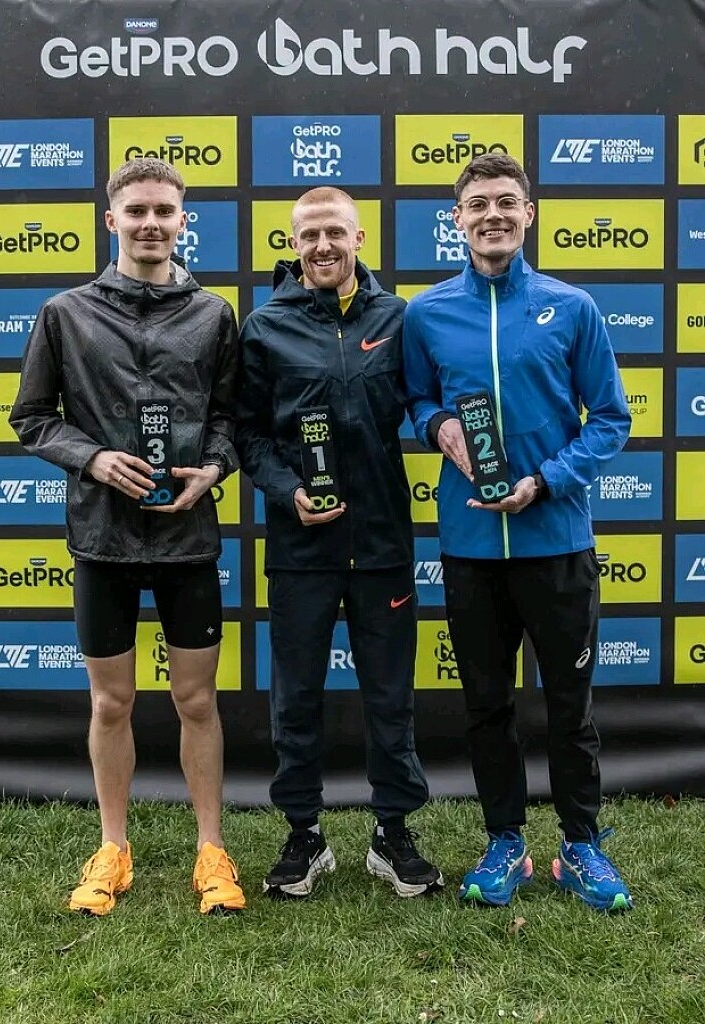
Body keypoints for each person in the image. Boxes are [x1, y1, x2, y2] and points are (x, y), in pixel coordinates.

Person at [9, 157, 245, 917]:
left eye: (163, 212)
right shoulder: (65, 313)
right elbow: (31, 417)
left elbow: (231, 416)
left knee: (197, 699)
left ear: (182, 221)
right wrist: (93, 458)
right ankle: (113, 848)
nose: (150, 224)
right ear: (111, 220)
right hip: (102, 537)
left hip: (187, 539)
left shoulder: (213, 315)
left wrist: (214, 468)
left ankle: (212, 849)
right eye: (136, 211)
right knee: (110, 703)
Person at [403, 153, 633, 912]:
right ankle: (506, 841)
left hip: (557, 541)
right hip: (470, 548)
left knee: (570, 705)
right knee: (487, 704)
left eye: (506, 201)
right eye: (478, 204)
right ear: (457, 219)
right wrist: (437, 428)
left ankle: (581, 845)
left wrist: (545, 481)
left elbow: (611, 420)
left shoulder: (572, 307)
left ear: (528, 214)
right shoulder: (427, 313)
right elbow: (417, 398)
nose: (492, 215)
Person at [235, 187, 443, 900]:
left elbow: (427, 403)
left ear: (359, 238)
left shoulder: (398, 318)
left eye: (334, 233)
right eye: (308, 236)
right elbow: (247, 433)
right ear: (293, 245)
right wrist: (286, 490)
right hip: (301, 549)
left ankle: (393, 832)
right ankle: (304, 834)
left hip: (382, 544)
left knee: (390, 696)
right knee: (296, 698)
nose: (322, 246)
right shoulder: (265, 325)